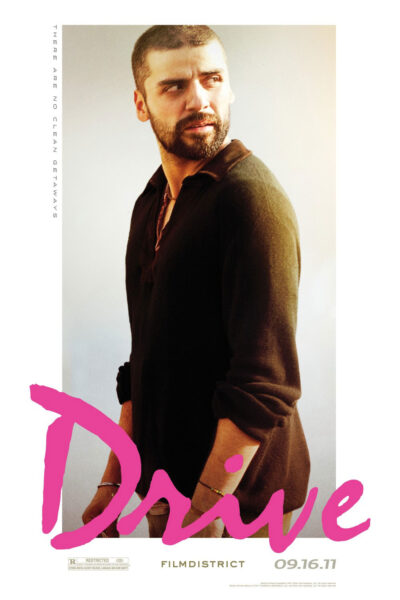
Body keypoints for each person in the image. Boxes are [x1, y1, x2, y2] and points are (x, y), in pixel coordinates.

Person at [82, 25, 310, 538]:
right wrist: (114, 483)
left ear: (229, 87)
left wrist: (204, 512)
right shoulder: (153, 201)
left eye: (212, 79)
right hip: (166, 491)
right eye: (174, 86)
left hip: (235, 505)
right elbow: (147, 362)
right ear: (141, 104)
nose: (199, 100)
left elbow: (263, 384)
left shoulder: (250, 201)